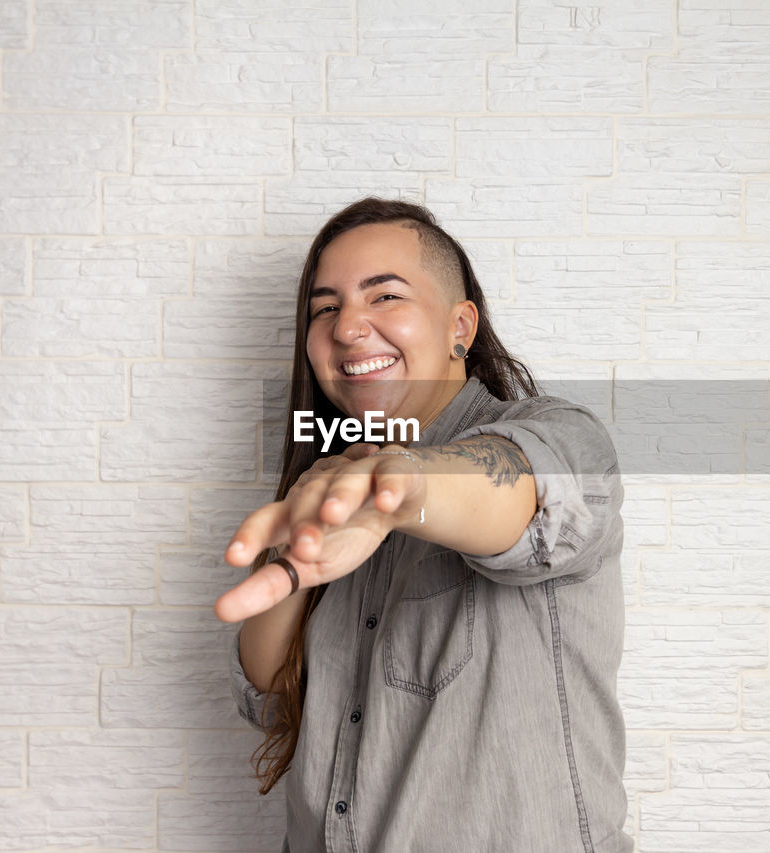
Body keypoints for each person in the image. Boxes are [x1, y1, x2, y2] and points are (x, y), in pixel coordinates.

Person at [215, 196, 632, 852]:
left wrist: (402, 492)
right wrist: (300, 553)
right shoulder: (333, 485)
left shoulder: (560, 436)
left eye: (384, 297)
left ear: (459, 326)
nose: (348, 326)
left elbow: (521, 495)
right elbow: (271, 689)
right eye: (325, 308)